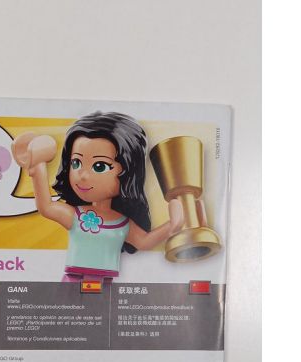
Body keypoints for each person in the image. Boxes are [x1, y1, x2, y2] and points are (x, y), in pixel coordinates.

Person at [11, 111, 183, 282]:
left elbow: (144, 242)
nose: (83, 176)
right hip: (73, 279)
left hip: (105, 281)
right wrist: (38, 168)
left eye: (99, 166)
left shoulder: (122, 223)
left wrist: (173, 225)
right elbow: (46, 207)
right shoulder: (76, 215)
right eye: (76, 163)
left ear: (128, 172)